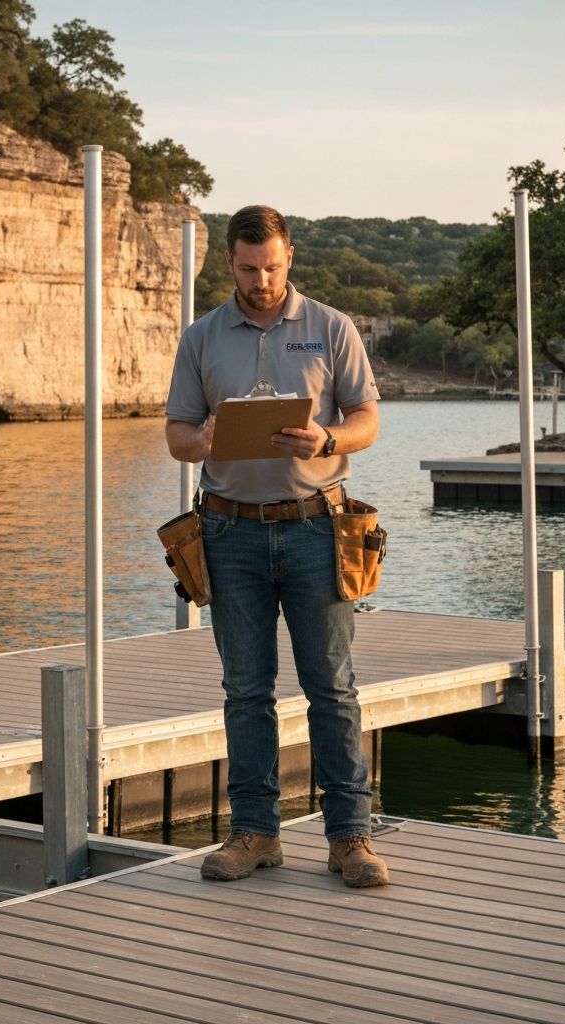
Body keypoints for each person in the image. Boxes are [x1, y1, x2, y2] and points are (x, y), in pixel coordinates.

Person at [164, 205, 388, 888]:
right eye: (247, 268)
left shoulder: (331, 327)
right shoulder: (201, 338)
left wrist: (328, 439)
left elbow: (368, 420)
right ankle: (255, 833)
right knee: (245, 690)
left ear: (290, 257)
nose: (260, 279)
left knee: (332, 688)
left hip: (318, 527)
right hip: (228, 531)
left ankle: (350, 839)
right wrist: (204, 441)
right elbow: (177, 433)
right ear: (228, 263)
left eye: (271, 266)